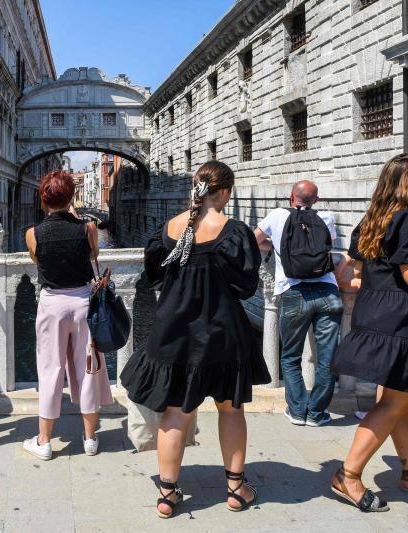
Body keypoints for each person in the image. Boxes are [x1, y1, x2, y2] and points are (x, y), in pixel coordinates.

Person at [120, 161, 271, 518]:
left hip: (176, 334)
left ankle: (168, 495)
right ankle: (236, 488)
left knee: (175, 411)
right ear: (225, 193)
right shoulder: (235, 232)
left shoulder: (168, 229)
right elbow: (245, 285)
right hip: (222, 333)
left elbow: (155, 279)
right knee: (231, 409)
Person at [330, 154, 408, 512]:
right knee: (396, 402)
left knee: (400, 398)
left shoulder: (374, 217)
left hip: (374, 314)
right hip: (403, 320)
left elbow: (348, 269)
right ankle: (348, 474)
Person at [22, 171, 113, 460]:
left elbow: (39, 260)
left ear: (44, 199)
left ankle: (44, 441)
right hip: (83, 302)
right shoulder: (87, 229)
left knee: (50, 370)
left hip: (52, 304)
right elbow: (93, 255)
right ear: (71, 197)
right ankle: (90, 439)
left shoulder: (33, 234)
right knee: (88, 367)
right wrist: (76, 220)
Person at [254, 181, 342, 427]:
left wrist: (274, 248)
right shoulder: (326, 217)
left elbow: (254, 239)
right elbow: (326, 246)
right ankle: (316, 413)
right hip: (328, 292)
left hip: (294, 293)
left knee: (291, 357)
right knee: (328, 358)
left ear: (291, 197)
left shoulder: (277, 216)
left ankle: (297, 411)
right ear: (316, 199)